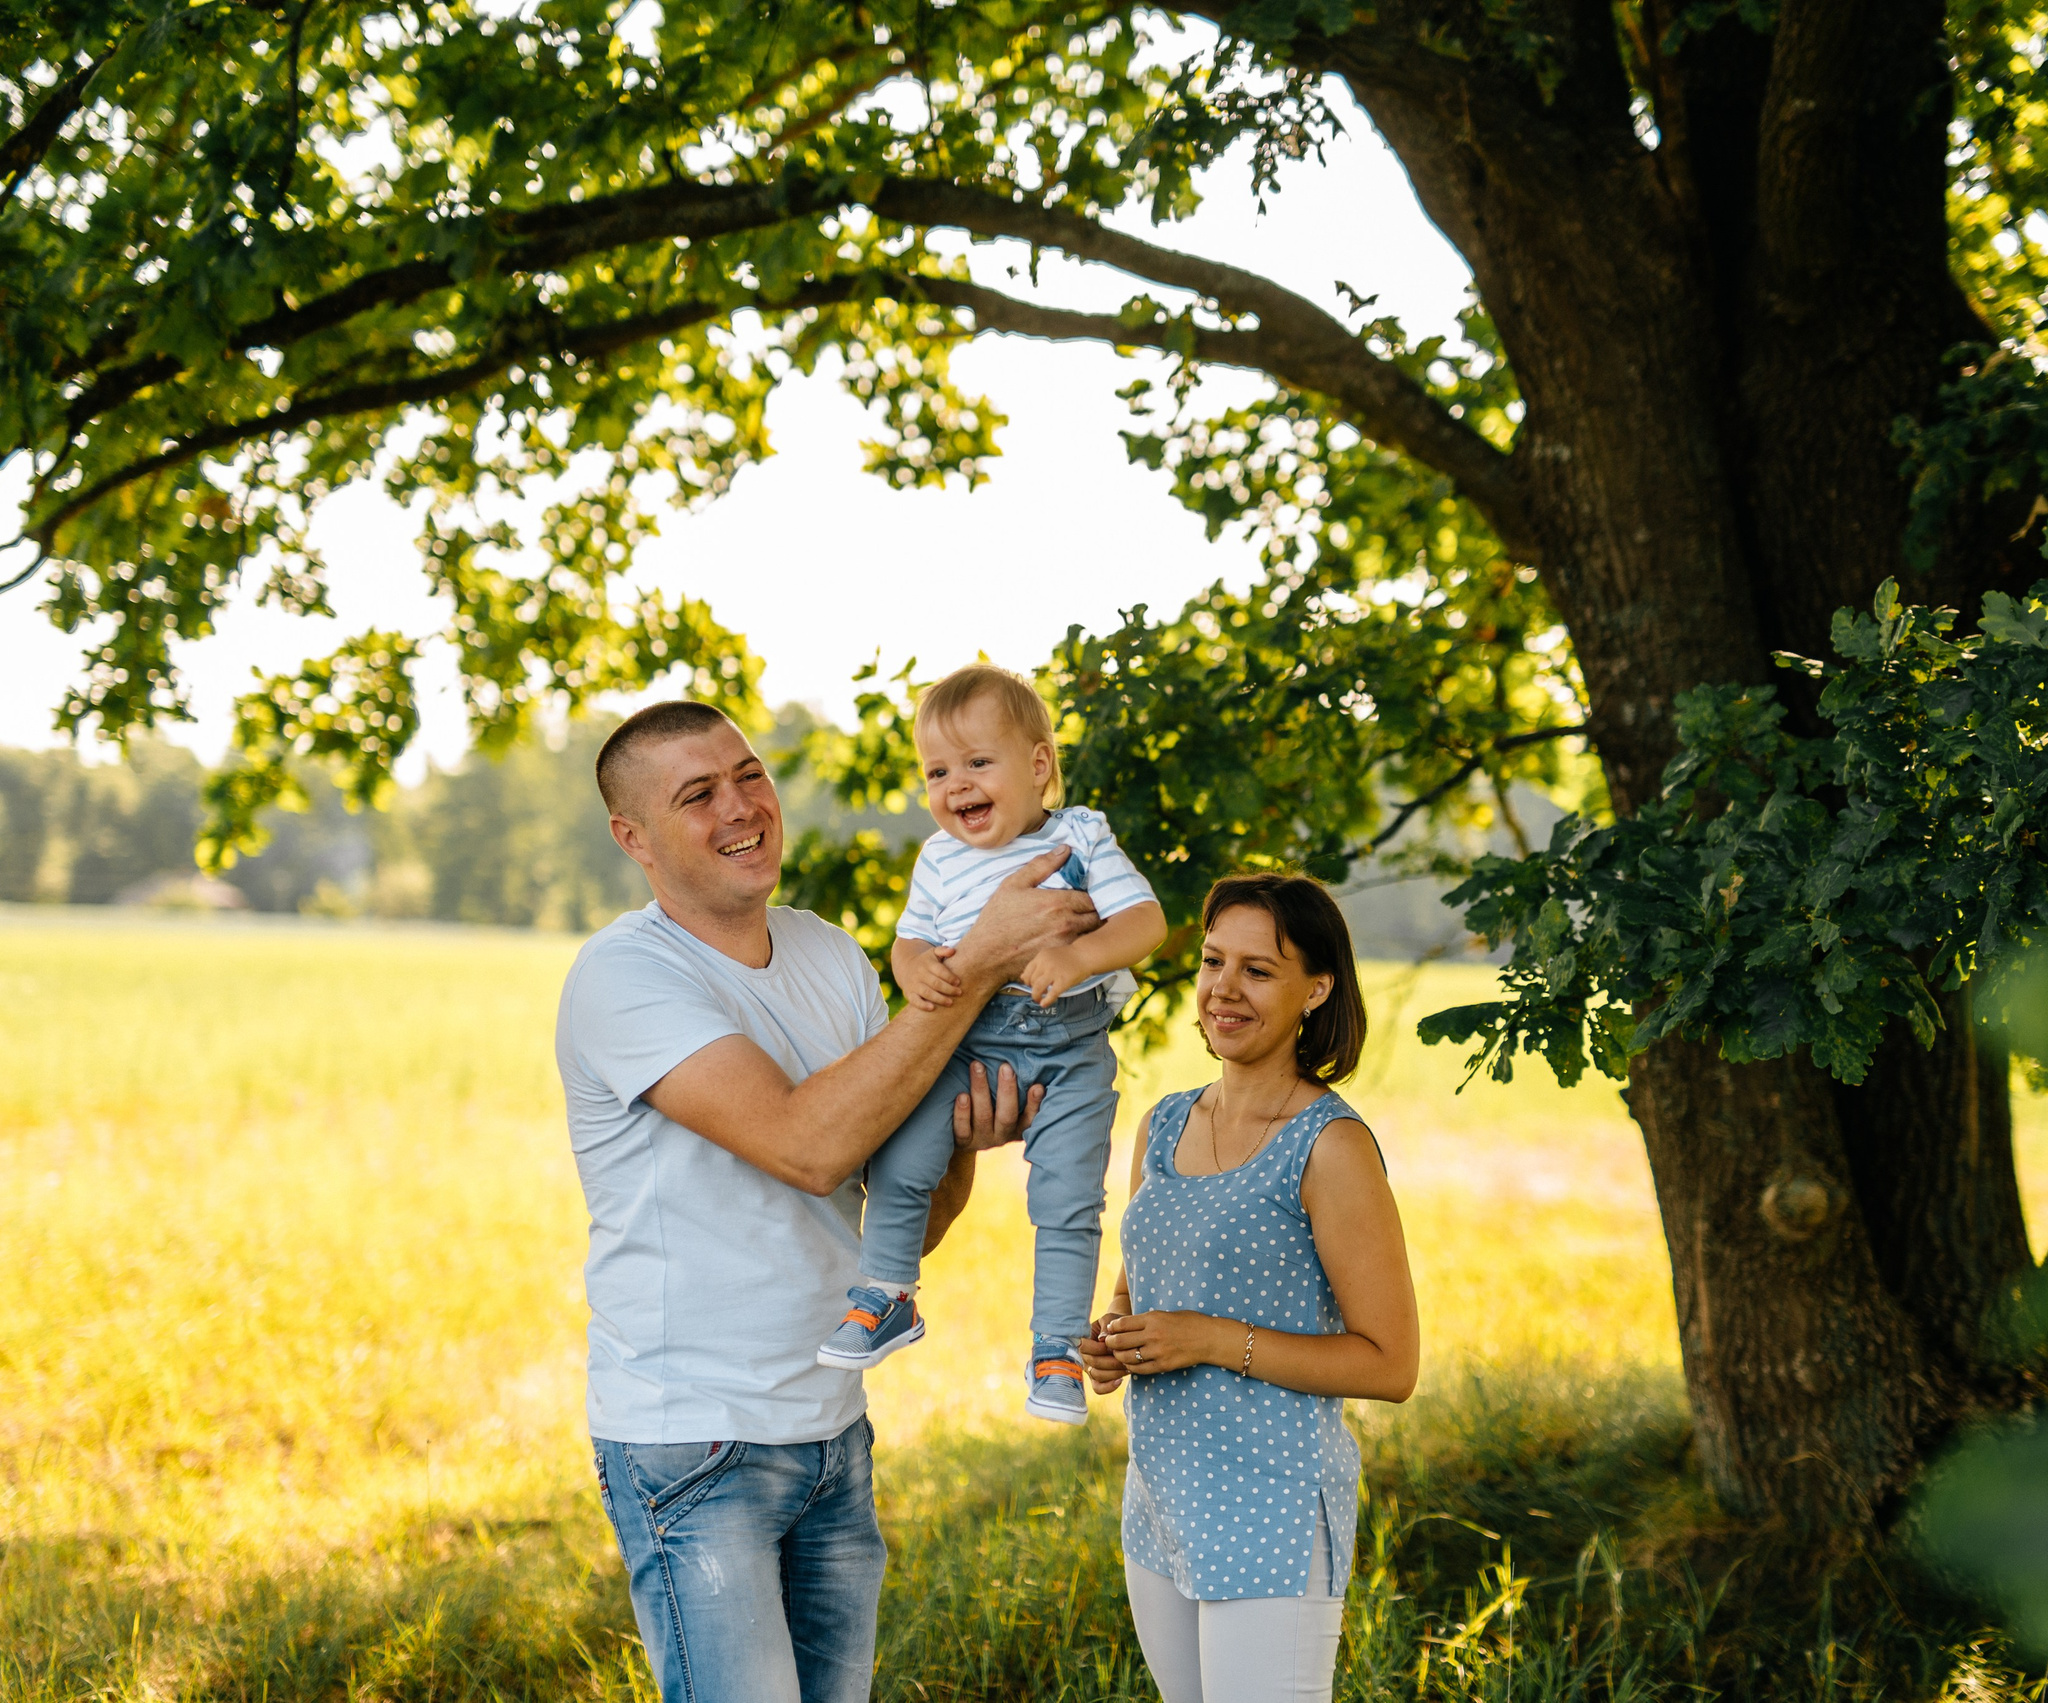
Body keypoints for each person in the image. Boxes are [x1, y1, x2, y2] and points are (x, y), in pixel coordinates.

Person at [555, 698, 1098, 1703]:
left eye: (748, 774)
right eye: (697, 793)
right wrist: (975, 961)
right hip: (694, 1439)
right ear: (633, 836)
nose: (740, 807)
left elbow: (898, 1206)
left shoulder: (829, 955)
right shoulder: (623, 976)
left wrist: (960, 1141)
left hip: (830, 1431)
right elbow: (806, 1146)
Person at [1080, 872, 1421, 1703]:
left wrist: (1206, 1339)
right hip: (1160, 1503)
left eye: (1258, 969)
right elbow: (1138, 1294)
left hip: (1271, 1512)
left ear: (1317, 988)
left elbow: (1391, 1364)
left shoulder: (1329, 1145)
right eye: (1212, 961)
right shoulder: (1164, 1123)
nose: (1224, 989)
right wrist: (1112, 1341)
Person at [817, 664, 1167, 1427]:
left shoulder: (1081, 835)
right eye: (938, 771)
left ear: (1039, 766)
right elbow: (911, 940)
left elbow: (1146, 922)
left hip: (1069, 1047)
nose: (957, 785)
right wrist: (914, 969)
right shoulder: (939, 861)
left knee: (1068, 1200)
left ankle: (1056, 1350)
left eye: (979, 762)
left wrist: (1076, 957)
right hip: (968, 1041)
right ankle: (886, 1292)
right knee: (903, 1160)